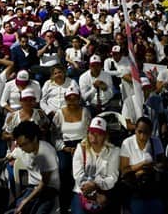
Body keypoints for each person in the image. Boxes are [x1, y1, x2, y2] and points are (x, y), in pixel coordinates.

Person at [7, 121, 60, 214]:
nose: (22, 148)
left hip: (49, 189)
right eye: (20, 145)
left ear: (34, 139)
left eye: (24, 144)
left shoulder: (47, 152)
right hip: (32, 187)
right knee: (17, 209)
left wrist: (26, 201)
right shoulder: (22, 149)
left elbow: (45, 182)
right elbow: (7, 158)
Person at [53, 84, 91, 214]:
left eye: (75, 98)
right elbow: (55, 134)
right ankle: (64, 205)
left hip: (83, 144)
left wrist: (81, 147)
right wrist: (64, 147)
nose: (72, 101)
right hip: (65, 146)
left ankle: (83, 201)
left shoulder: (85, 112)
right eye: (69, 98)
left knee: (82, 171)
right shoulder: (59, 113)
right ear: (66, 99)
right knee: (64, 169)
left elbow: (88, 132)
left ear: (79, 98)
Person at [71, 116, 120, 214]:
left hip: (103, 192)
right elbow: (78, 174)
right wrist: (90, 188)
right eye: (92, 133)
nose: (94, 137)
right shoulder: (81, 148)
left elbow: (112, 177)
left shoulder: (114, 151)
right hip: (81, 192)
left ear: (105, 136)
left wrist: (96, 185)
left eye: (99, 134)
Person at [119, 116, 165, 214]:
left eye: (146, 133)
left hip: (151, 185)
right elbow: (124, 170)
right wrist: (141, 165)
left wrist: (154, 166)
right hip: (134, 186)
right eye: (139, 132)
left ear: (151, 132)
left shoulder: (155, 141)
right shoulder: (127, 143)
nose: (142, 136)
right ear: (135, 130)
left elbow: (162, 163)